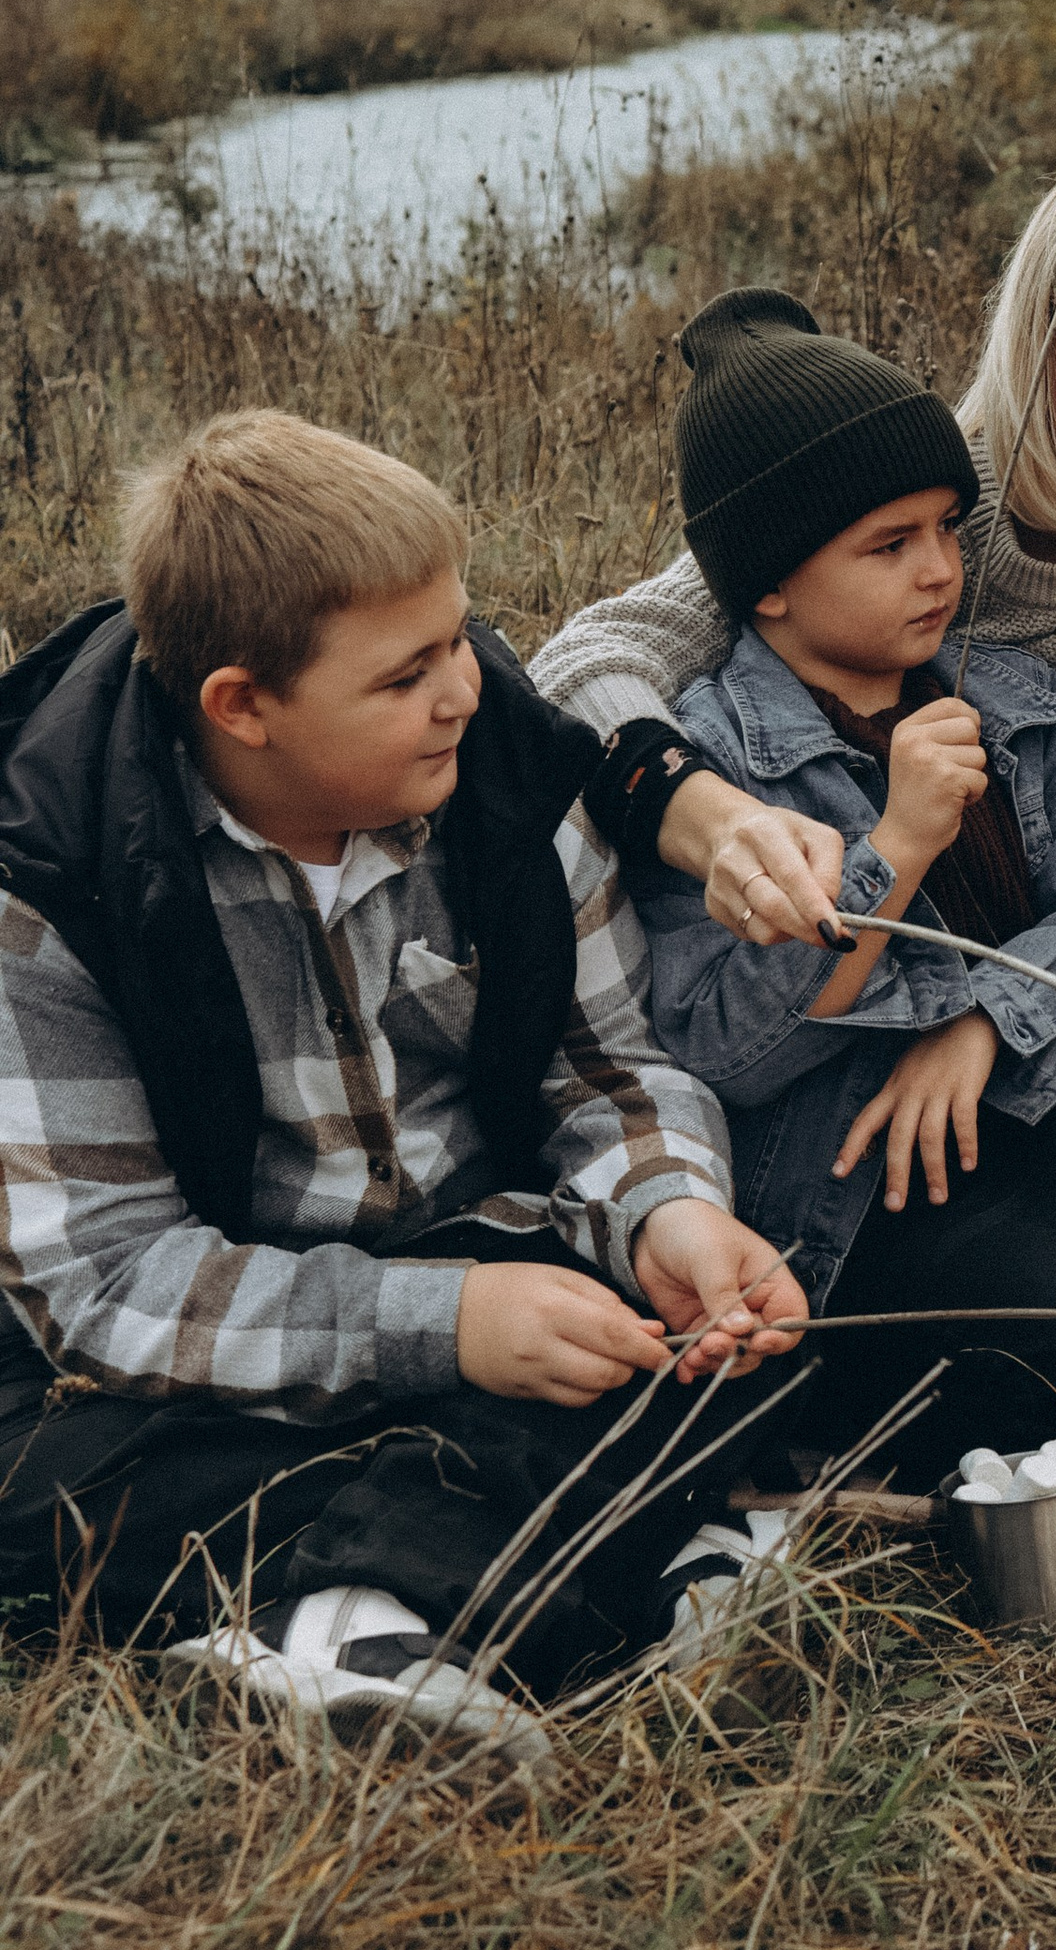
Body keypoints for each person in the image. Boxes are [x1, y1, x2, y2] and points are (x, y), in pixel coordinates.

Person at [0, 414, 809, 1747]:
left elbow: (605, 1074)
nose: (465, 692)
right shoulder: (49, 880)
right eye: (405, 675)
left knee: (725, 1337)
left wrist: (672, 1215)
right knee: (35, 1480)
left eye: (460, 636)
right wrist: (441, 1331)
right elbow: (105, 1289)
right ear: (243, 707)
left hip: (481, 1258)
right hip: (190, 1341)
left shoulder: (511, 776)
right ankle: (544, 1568)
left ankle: (347, 1614)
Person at [539, 129, 1056, 1328]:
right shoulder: (914, 486)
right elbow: (587, 662)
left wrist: (994, 1023)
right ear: (1043, 343)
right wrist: (710, 816)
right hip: (865, 1137)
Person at [626, 287, 1056, 1461]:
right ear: (768, 584)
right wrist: (898, 846)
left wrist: (991, 1016)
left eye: (945, 527)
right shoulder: (717, 770)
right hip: (879, 1193)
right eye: (889, 546)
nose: (939, 570)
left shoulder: (1009, 696)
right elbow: (724, 1052)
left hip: (1040, 1101)